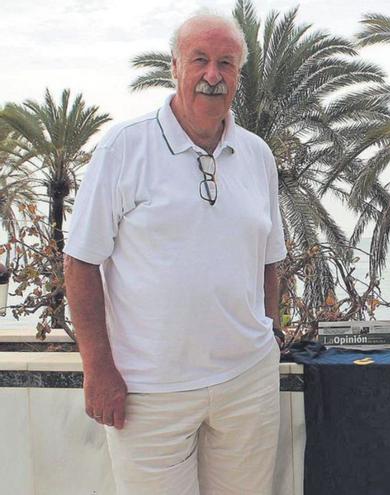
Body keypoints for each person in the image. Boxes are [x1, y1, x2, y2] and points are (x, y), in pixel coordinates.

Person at [64, 12, 287, 495]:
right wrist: (97, 369)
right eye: (200, 60)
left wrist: (267, 333)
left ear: (238, 75)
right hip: (148, 394)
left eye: (226, 63)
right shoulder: (124, 148)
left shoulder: (257, 155)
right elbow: (80, 261)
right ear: (175, 67)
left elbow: (271, 258)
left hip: (247, 386)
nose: (213, 75)